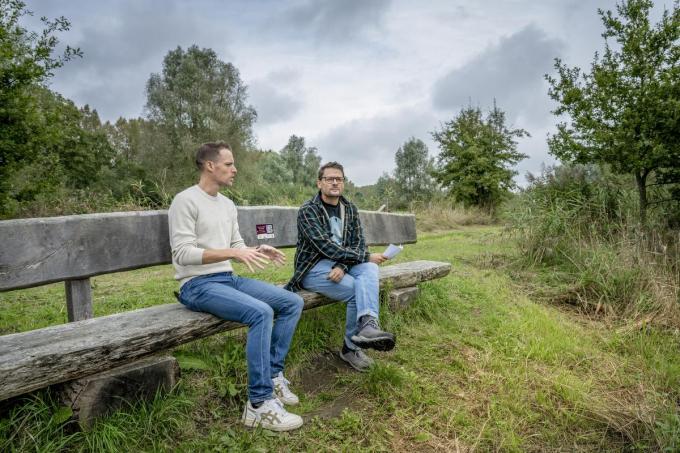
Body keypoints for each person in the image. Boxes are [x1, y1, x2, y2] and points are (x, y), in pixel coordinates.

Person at [168, 142, 304, 432]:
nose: (234, 169)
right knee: (261, 312)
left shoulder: (228, 204)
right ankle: (258, 403)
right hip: (196, 284)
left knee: (292, 302)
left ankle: (274, 375)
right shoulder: (185, 201)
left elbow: (236, 245)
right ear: (210, 166)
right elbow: (182, 254)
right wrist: (232, 253)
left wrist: (256, 249)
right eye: (229, 164)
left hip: (227, 279)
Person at [286, 162, 396, 372]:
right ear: (320, 183)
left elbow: (357, 242)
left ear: (344, 183)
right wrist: (364, 256)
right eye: (329, 179)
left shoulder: (350, 209)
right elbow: (325, 246)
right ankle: (349, 348)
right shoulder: (308, 211)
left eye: (339, 178)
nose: (335, 182)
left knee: (370, 269)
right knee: (357, 288)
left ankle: (368, 325)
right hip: (313, 268)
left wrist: (343, 266)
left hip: (341, 263)